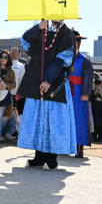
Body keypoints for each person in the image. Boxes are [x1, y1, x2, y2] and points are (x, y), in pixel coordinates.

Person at [17, 20, 76, 170]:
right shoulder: (43, 30)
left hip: (55, 82)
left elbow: (63, 59)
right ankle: (39, 157)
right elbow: (25, 40)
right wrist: (37, 27)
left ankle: (51, 158)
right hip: (38, 81)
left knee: (53, 120)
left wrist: (48, 79)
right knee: (39, 119)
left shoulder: (66, 33)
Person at [69, 31, 92, 158]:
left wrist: (86, 92)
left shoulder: (84, 60)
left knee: (79, 119)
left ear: (79, 43)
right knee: (66, 118)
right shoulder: (64, 58)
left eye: (75, 42)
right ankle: (65, 146)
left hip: (78, 92)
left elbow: (88, 78)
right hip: (66, 91)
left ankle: (79, 148)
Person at [0, 49, 16, 145]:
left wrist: (6, 86)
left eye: (5, 57)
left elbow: (14, 84)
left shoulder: (11, 70)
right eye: (1, 56)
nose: (3, 59)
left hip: (4, 96)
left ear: (8, 59)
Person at [90, 76, 102, 142]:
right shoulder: (93, 91)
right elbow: (91, 99)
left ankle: (100, 136)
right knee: (95, 121)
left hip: (101, 108)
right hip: (95, 107)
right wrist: (95, 94)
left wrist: (101, 94)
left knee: (101, 121)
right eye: (97, 85)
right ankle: (94, 136)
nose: (98, 86)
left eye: (99, 85)